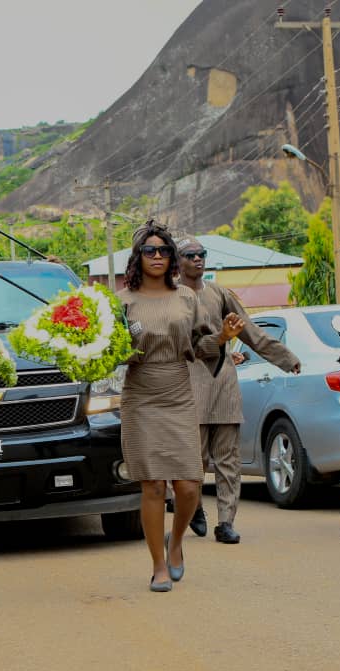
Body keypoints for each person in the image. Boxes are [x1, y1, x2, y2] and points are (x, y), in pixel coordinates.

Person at [117, 221, 244, 592]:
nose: (157, 256)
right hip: (140, 396)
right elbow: (111, 355)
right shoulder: (122, 302)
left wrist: (223, 336)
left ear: (172, 257)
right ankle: (158, 564)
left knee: (188, 485)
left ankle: (177, 542)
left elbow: (201, 348)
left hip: (178, 392)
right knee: (153, 485)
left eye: (164, 250)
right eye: (150, 251)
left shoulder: (186, 299)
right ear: (137, 257)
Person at [177, 238, 301, 543]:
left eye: (201, 255)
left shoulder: (219, 294)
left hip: (224, 386)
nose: (197, 259)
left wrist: (286, 359)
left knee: (228, 458)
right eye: (190, 255)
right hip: (190, 384)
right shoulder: (171, 297)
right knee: (194, 459)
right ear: (177, 261)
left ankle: (226, 521)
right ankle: (192, 507)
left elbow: (250, 331)